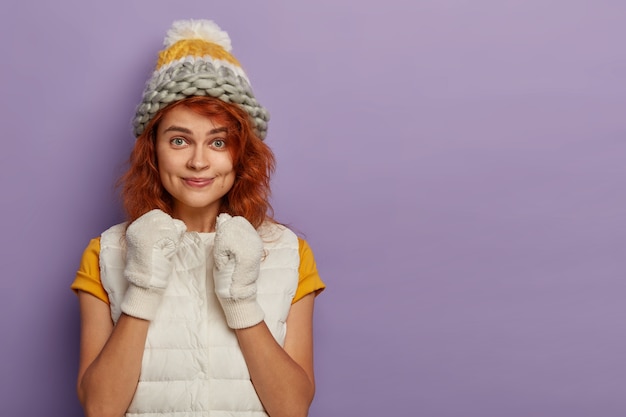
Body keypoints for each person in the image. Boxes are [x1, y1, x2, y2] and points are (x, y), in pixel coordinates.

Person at [71, 19, 325, 417]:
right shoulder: (105, 253)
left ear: (242, 152)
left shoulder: (288, 253)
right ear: (152, 149)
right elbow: (100, 409)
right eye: (178, 140)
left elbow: (292, 409)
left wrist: (240, 301)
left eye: (219, 141)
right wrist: (143, 288)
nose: (199, 161)